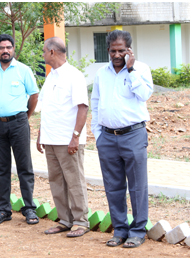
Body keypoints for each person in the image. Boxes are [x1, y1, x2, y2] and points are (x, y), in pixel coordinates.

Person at [91, 30, 153, 248]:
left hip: (134, 135)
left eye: (121, 50)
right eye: (113, 50)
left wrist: (131, 70)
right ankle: (119, 230)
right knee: (113, 187)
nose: (117, 54)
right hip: (107, 137)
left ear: (129, 50)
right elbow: (96, 104)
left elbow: (145, 95)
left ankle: (137, 231)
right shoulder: (101, 73)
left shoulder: (141, 69)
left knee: (137, 186)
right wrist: (97, 134)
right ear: (108, 50)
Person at [0, 34, 40, 226]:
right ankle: (4, 210)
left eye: (8, 47)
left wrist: (24, 116)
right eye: (1, 47)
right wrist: (0, 112)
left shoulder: (23, 70)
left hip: (19, 123)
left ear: (13, 49)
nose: (5, 50)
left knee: (25, 167)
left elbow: (33, 96)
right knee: (1, 168)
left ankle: (29, 208)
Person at [36, 37, 90, 237]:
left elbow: (83, 108)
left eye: (43, 51)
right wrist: (41, 134)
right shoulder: (51, 76)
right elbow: (48, 107)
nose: (42, 55)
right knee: (56, 181)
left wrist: (75, 137)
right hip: (50, 139)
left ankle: (80, 221)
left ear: (52, 52)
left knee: (74, 180)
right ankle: (65, 220)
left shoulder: (74, 76)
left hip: (68, 140)